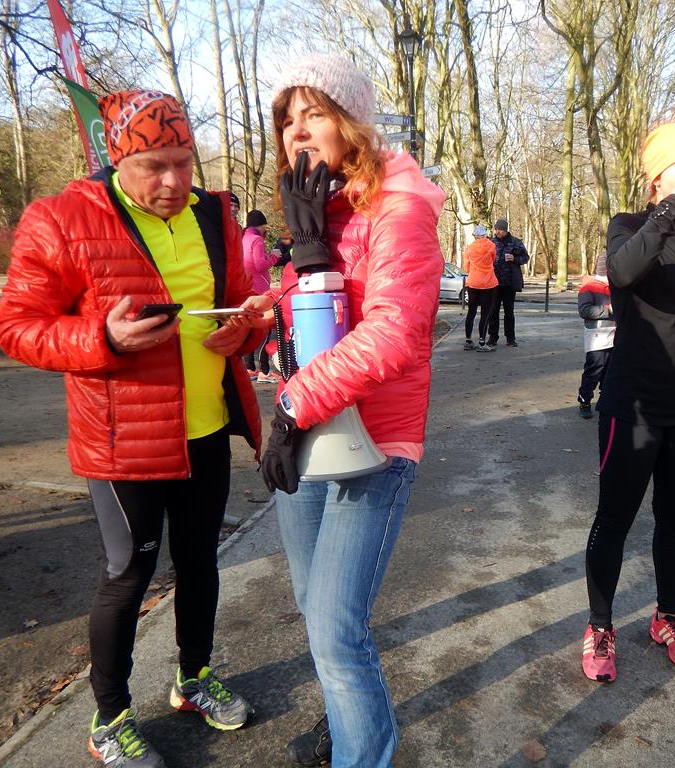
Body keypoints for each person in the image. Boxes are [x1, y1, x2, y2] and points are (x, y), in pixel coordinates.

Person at [0, 90, 264, 768]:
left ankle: (193, 678)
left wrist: (245, 331)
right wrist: (103, 338)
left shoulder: (214, 214)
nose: (174, 182)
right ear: (118, 160)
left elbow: (235, 307)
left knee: (200, 561)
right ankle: (110, 719)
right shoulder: (61, 218)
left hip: (206, 428)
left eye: (184, 162)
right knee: (128, 574)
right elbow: (17, 328)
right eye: (153, 166)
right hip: (122, 441)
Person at [241, 52, 444, 768]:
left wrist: (291, 406)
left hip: (375, 443)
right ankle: (346, 726)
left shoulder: (400, 207)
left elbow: (392, 332)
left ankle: (364, 752)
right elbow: (314, 324)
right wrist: (265, 310)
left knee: (335, 628)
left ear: (351, 122)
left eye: (314, 112)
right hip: (307, 431)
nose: (296, 130)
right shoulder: (319, 211)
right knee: (310, 603)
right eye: (286, 119)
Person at [581, 122, 675, 683]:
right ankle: (600, 625)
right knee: (614, 519)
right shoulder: (628, 226)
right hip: (633, 405)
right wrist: (674, 207)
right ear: (658, 176)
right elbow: (622, 272)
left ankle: (668, 617)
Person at [576, 251, 615, 419]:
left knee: (610, 372)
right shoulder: (589, 287)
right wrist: (608, 310)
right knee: (594, 370)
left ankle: (606, 400)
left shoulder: (617, 286)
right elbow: (584, 310)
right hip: (597, 336)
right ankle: (584, 400)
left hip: (615, 334)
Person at [241, 209, 279, 382]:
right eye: (264, 226)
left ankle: (250, 368)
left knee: (250, 327)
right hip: (260, 287)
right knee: (265, 328)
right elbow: (260, 265)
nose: (265, 230)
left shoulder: (243, 237)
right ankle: (264, 370)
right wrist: (274, 257)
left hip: (247, 285)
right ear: (261, 225)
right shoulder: (257, 240)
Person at [487, 217, 529, 347]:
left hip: (510, 282)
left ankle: (510, 338)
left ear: (505, 230)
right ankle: (492, 338)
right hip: (493, 282)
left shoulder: (515, 242)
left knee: (509, 311)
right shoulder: (490, 242)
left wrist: (514, 258)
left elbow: (525, 258)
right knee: (493, 311)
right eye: (496, 229)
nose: (497, 232)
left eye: (500, 230)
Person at [461, 224, 498, 352]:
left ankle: (468, 341)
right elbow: (493, 260)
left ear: (475, 236)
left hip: (473, 283)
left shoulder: (469, 249)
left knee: (471, 312)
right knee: (485, 314)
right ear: (485, 235)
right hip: (488, 283)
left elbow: (466, 268)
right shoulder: (491, 246)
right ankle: (482, 343)